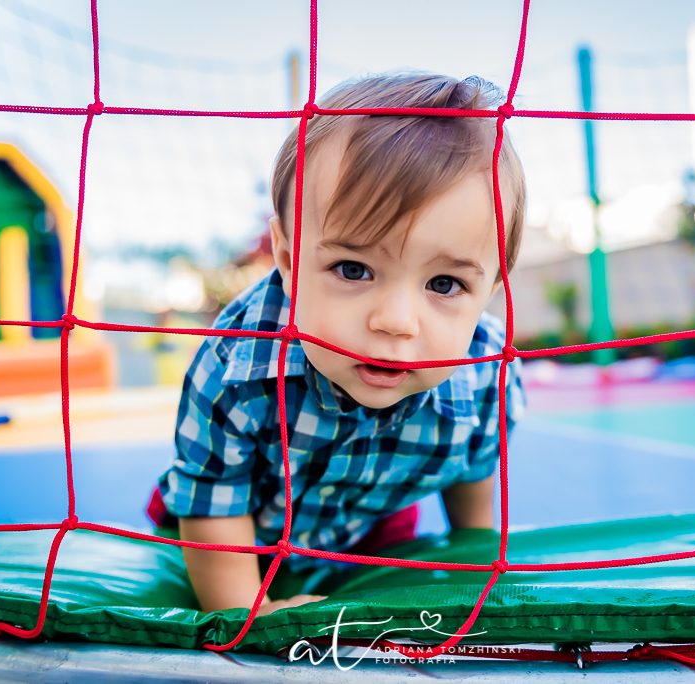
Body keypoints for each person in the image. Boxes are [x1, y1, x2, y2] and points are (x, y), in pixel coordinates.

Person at [150, 72, 527, 615]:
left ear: (491, 290)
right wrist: (243, 611)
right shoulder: (237, 367)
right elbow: (213, 499)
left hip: (373, 517)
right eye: (353, 269)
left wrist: (480, 564)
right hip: (246, 523)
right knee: (199, 536)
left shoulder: (488, 371)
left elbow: (473, 471)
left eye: (445, 284)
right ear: (286, 258)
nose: (396, 322)